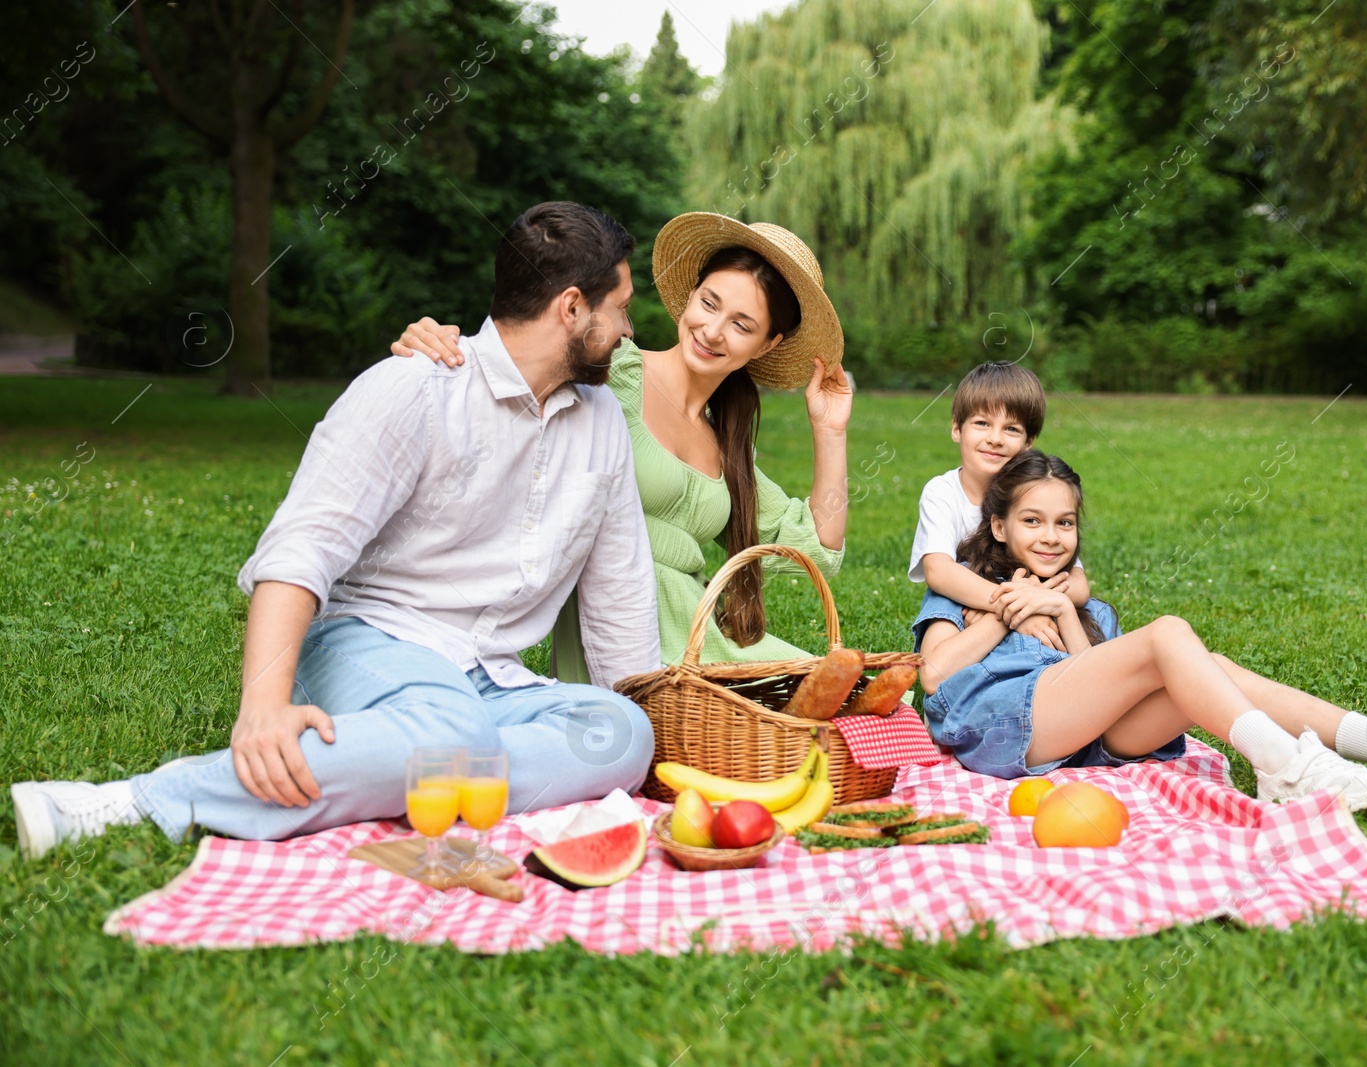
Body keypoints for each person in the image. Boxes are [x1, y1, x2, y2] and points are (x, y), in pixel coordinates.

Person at [10, 201, 661, 860]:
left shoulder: (601, 420)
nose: (629, 331)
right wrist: (262, 707)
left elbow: (620, 591)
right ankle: (138, 799)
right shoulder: (414, 388)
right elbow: (301, 550)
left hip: (491, 679)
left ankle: (407, 765)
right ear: (572, 307)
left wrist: (653, 738)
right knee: (452, 733)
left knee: (622, 733)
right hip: (369, 640)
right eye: (622, 308)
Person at [912, 450, 1367, 809]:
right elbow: (934, 678)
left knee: (1211, 667)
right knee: (1169, 634)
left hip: (1082, 741)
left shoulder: (1087, 607)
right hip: (996, 730)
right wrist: (1003, 607)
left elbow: (1089, 683)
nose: (1051, 537)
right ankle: (1287, 771)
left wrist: (1064, 613)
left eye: (1065, 523)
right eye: (1033, 521)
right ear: (998, 527)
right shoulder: (960, 591)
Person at [391, 213, 854, 678]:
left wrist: (829, 431)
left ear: (767, 344)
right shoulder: (615, 371)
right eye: (709, 304)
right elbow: (518, 361)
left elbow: (817, 548)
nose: (713, 331)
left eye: (741, 325)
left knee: (858, 703)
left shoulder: (725, 442)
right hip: (620, 642)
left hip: (698, 644)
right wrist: (444, 341)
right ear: (690, 296)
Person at [908, 360, 1092, 652]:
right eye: (982, 423)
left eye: (1011, 429)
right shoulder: (942, 492)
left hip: (1030, 594)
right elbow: (939, 572)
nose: (995, 439)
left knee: (1085, 617)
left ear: (1029, 441)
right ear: (957, 428)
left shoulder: (1037, 491)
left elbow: (1079, 584)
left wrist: (1032, 601)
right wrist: (1016, 609)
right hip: (964, 601)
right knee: (943, 601)